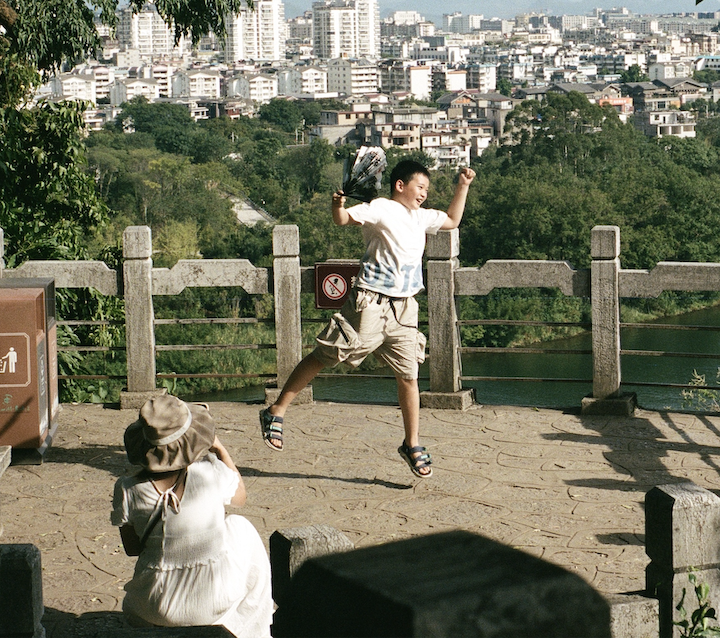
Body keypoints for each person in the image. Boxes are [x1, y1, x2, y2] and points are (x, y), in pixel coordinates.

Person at [260, 159, 476, 478]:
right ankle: (276, 410)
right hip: (369, 304)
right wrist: (338, 204)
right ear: (400, 185)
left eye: (427, 190)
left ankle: (411, 443)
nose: (424, 194)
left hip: (404, 308)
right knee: (326, 354)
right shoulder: (381, 209)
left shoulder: (423, 217)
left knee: (409, 374)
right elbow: (344, 220)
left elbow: (453, 221)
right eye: (419, 187)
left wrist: (463, 186)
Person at [112, 394, 272, 636]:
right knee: (239, 525)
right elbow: (240, 498)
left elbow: (133, 548)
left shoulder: (127, 488)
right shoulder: (209, 474)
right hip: (212, 602)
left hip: (153, 604)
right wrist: (219, 448)